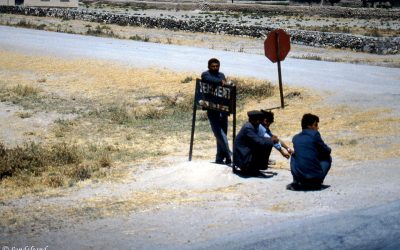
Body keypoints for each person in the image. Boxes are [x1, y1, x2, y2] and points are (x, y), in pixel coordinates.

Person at [287, 113, 332, 191]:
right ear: (309, 126)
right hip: (314, 177)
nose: (317, 128)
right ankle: (317, 182)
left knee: (294, 155)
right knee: (327, 158)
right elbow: (327, 151)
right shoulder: (314, 134)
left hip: (300, 178)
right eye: (316, 125)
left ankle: (297, 180)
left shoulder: (295, 138)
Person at [201, 58, 231, 165]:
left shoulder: (221, 75)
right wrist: (219, 82)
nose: (215, 68)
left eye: (217, 66)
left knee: (223, 134)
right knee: (218, 132)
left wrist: (221, 81)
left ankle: (219, 158)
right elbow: (207, 80)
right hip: (211, 108)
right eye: (213, 66)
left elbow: (223, 84)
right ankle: (229, 155)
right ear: (209, 66)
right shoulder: (205, 74)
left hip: (222, 108)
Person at [233, 110, 279, 176]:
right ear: (256, 120)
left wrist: (270, 139)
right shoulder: (248, 128)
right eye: (259, 120)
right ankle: (250, 169)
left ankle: (254, 168)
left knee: (267, 144)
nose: (259, 122)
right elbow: (259, 142)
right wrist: (271, 140)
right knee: (266, 145)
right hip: (242, 156)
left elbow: (258, 139)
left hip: (243, 154)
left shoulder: (251, 126)